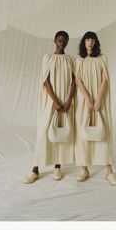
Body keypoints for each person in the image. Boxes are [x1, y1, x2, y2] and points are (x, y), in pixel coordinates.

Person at [23, 31, 76, 183]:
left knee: (60, 132)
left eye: (65, 40)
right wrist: (55, 101)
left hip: (65, 103)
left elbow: (74, 81)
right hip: (50, 102)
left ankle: (57, 166)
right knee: (43, 133)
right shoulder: (47, 58)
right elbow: (45, 81)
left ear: (67, 42)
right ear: (54, 41)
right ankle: (35, 169)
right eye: (59, 40)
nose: (62, 42)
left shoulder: (70, 59)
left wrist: (69, 101)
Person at [75, 31, 116, 186]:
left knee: (104, 132)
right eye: (87, 39)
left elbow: (105, 80)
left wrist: (99, 98)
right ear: (84, 42)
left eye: (93, 39)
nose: (90, 42)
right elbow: (78, 81)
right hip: (84, 100)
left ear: (96, 42)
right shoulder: (79, 60)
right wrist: (87, 98)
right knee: (83, 132)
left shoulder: (102, 58)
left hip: (100, 99)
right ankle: (84, 168)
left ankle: (108, 170)